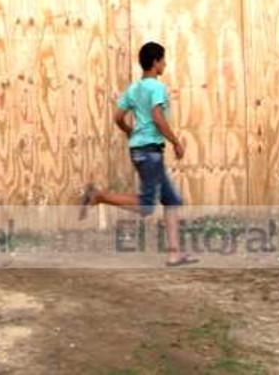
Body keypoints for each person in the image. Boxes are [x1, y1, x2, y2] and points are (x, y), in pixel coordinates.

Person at [80, 41, 196, 266]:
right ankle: (98, 196)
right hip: (150, 151)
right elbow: (157, 117)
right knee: (146, 206)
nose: (165, 63)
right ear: (155, 63)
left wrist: (131, 132)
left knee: (171, 200)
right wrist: (175, 142)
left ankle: (174, 254)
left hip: (141, 148)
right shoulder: (156, 87)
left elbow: (117, 117)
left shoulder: (133, 89)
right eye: (163, 60)